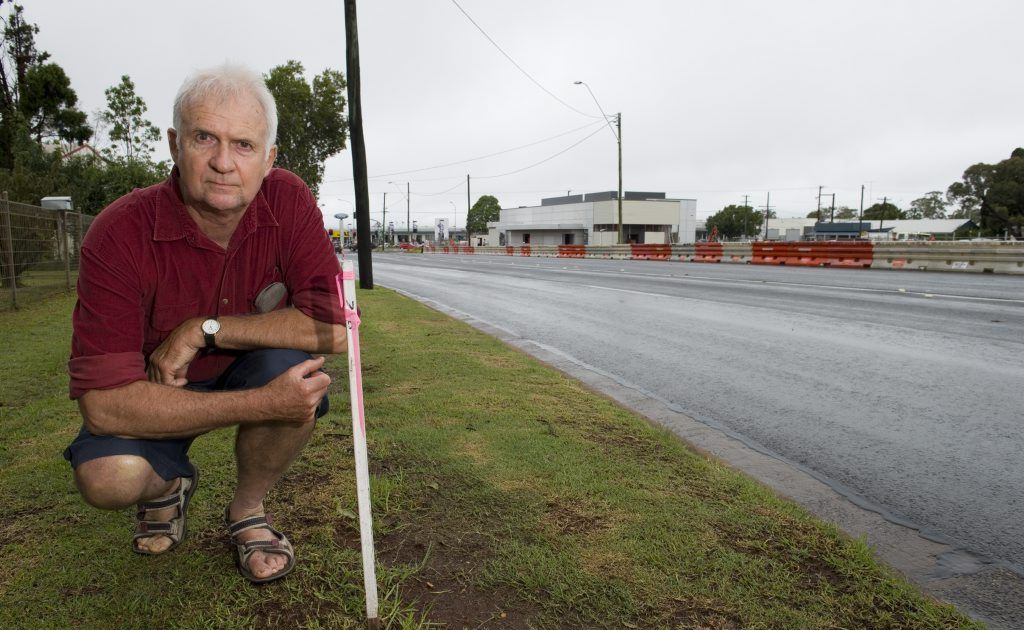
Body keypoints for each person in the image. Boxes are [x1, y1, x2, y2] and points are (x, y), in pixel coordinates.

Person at [63, 64, 346, 584]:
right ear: (174, 144)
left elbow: (334, 329)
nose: (222, 163)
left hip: (248, 366)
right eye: (204, 138)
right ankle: (169, 483)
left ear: (269, 158)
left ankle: (247, 510)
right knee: (107, 478)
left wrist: (204, 328)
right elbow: (102, 405)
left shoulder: (289, 199)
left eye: (243, 145)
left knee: (295, 373)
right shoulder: (118, 231)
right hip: (158, 386)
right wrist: (262, 404)